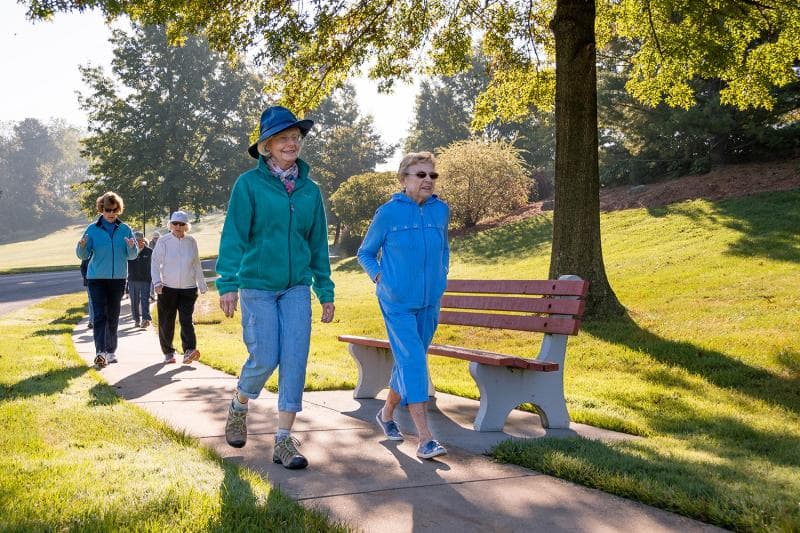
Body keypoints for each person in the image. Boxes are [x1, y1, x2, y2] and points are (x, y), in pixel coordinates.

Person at [217, 105, 335, 470]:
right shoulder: (248, 185)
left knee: (295, 359)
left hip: (297, 286)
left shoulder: (309, 191)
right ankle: (239, 402)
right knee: (265, 356)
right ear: (266, 145)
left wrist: (325, 289)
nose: (291, 144)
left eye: (296, 138)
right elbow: (234, 235)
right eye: (283, 138)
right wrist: (227, 282)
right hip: (258, 285)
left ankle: (283, 441)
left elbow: (317, 243)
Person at [357, 151, 450, 460]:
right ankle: (425, 439)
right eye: (420, 174)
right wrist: (380, 277)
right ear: (403, 179)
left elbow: (444, 251)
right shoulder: (388, 213)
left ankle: (386, 414)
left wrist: (442, 278)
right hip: (397, 302)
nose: (428, 180)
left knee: (410, 361)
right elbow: (365, 253)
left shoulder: (441, 211)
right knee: (413, 362)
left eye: (432, 175)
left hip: (429, 302)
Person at [76, 191, 139, 367]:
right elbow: (83, 254)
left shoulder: (125, 229)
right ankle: (100, 352)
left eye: (114, 210)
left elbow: (132, 256)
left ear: (118, 209)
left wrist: (132, 247)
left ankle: (111, 351)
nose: (111, 213)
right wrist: (81, 246)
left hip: (117, 279)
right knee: (99, 316)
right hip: (96, 278)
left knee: (113, 315)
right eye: (107, 209)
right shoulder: (92, 229)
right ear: (101, 209)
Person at [151, 211, 207, 364]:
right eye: (175, 224)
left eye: (181, 224)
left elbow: (196, 263)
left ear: (186, 226)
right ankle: (168, 352)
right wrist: (157, 282)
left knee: (186, 320)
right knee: (166, 321)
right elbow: (155, 263)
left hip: (188, 288)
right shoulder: (164, 241)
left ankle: (189, 350)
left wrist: (201, 284)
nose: (178, 227)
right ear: (170, 225)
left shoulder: (191, 241)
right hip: (167, 288)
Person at [127, 231, 153, 328]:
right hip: (132, 279)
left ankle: (145, 319)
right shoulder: (130, 251)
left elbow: (154, 266)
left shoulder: (149, 252)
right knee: (134, 301)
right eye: (135, 240)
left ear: (143, 240)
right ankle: (136, 319)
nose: (138, 242)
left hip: (145, 280)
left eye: (139, 240)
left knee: (145, 300)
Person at [80, 255, 94, 329]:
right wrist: (86, 276)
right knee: (91, 301)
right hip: (88, 282)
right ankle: (91, 321)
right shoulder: (86, 254)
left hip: (98, 281)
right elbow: (82, 267)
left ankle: (96, 320)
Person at [149, 231, 160, 300]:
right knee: (153, 279)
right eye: (155, 238)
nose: (156, 239)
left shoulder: (161, 243)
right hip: (152, 264)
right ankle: (152, 294)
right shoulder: (151, 244)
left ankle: (158, 294)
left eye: (157, 238)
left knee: (159, 279)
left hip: (160, 264)